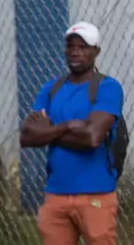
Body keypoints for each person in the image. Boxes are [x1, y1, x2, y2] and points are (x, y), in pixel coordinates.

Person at [20, 22, 124, 245]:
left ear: (96, 51)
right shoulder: (51, 89)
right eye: (70, 46)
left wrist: (48, 130)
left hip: (96, 193)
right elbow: (27, 137)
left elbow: (92, 137)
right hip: (56, 193)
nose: (75, 51)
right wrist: (67, 127)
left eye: (83, 47)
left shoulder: (107, 87)